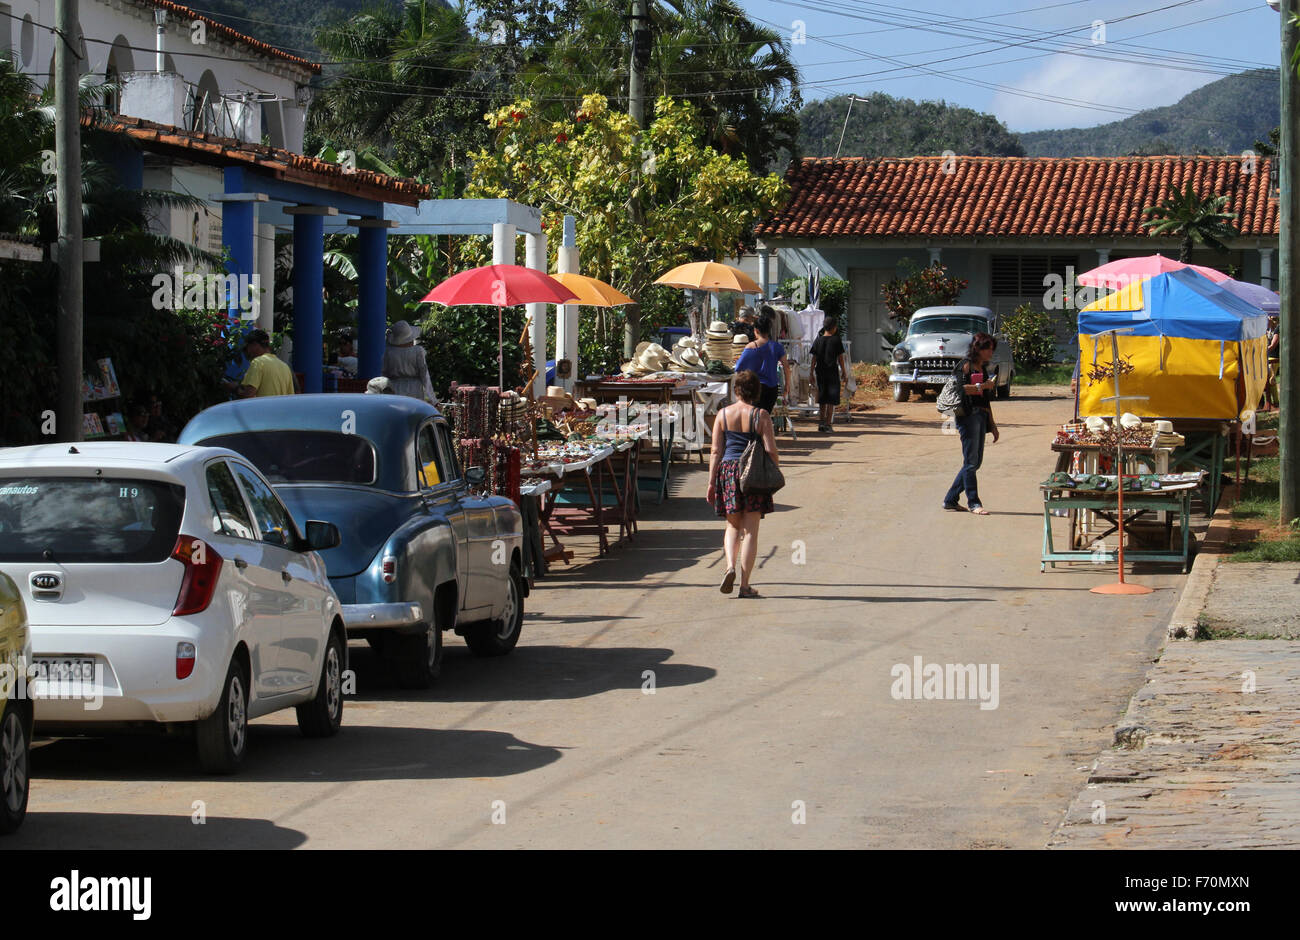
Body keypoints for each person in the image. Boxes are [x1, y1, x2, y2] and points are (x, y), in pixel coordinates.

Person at [708, 370, 780, 598]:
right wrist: (774, 471)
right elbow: (770, 450)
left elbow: (716, 451)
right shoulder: (762, 416)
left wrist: (711, 482)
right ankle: (745, 585)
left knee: (732, 527)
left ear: (736, 390)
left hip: (728, 471)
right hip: (752, 474)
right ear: (757, 391)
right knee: (750, 532)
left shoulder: (722, 414)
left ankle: (729, 566)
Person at [942, 332, 1000, 515]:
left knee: (975, 462)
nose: (991, 352)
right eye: (987, 348)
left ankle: (950, 499)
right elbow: (959, 388)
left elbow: (986, 401)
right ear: (978, 348)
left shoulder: (981, 368)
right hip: (967, 417)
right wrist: (982, 386)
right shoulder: (965, 365)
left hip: (981, 416)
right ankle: (974, 502)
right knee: (971, 462)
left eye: (992, 348)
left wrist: (993, 424)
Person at [734, 311, 792, 413]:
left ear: (756, 331)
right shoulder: (777, 347)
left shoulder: (750, 347)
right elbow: (786, 367)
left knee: (754, 419)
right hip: (772, 389)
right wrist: (787, 385)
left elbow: (738, 368)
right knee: (765, 416)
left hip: (755, 389)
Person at [222, 329, 295, 398]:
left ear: (254, 345)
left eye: (247, 348)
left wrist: (234, 388)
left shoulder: (258, 363)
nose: (247, 352)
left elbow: (248, 394)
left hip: (264, 411)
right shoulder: (285, 366)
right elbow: (290, 398)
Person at [809, 315, 849, 432]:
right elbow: (840, 358)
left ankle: (821, 423)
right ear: (834, 327)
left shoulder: (818, 340)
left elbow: (814, 358)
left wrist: (811, 373)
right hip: (832, 373)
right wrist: (844, 372)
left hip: (820, 372)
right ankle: (828, 423)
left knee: (822, 399)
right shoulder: (836, 340)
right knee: (831, 400)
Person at [383, 320, 436, 402]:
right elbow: (425, 376)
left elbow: (384, 373)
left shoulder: (388, 352)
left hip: (394, 389)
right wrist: (433, 399)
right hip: (414, 390)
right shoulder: (418, 351)